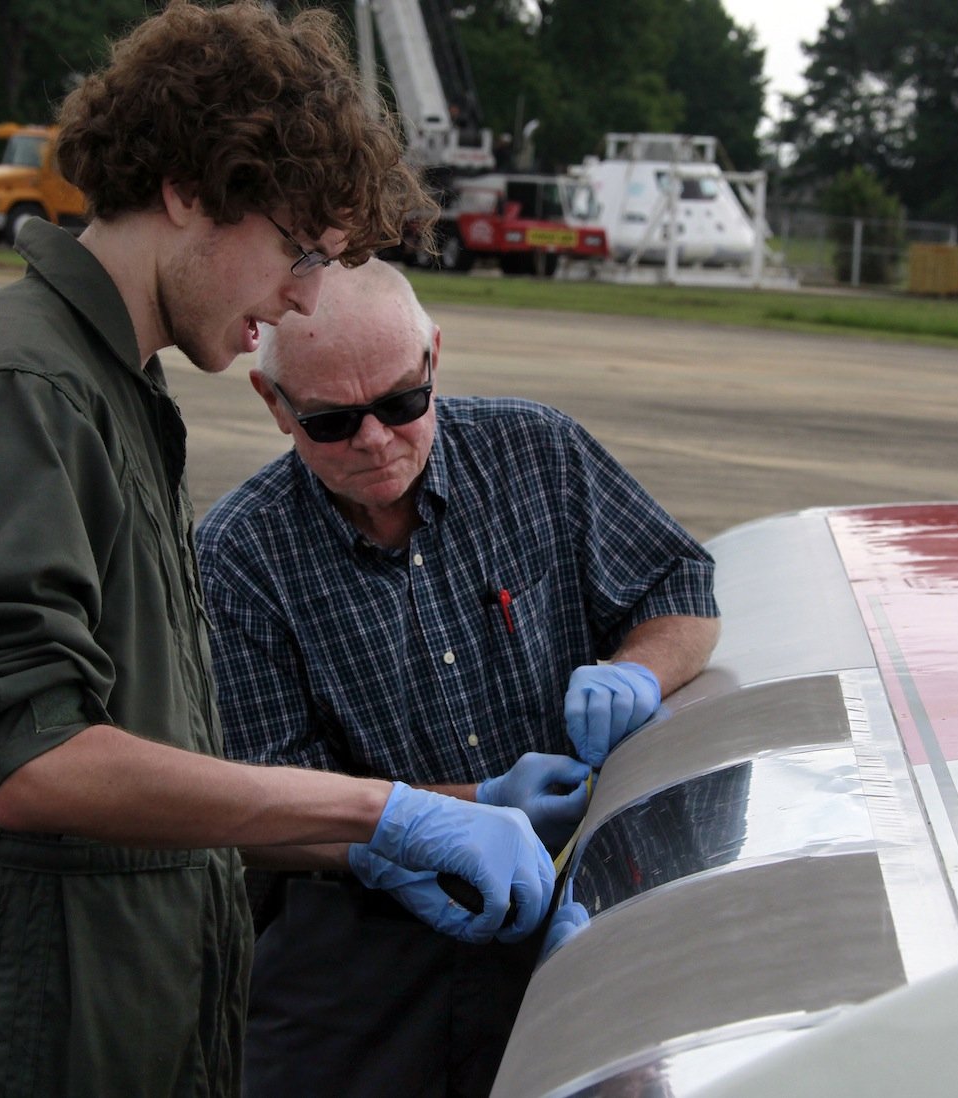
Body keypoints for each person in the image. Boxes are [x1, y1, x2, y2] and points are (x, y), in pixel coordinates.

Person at [0, 4, 558, 1094]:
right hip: (49, 1023)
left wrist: (382, 840)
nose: (302, 296)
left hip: (141, 994)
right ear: (190, 191)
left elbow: (154, 758)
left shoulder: (110, 387)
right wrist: (381, 808)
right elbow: (39, 765)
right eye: (298, 250)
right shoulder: (24, 385)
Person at [195, 258, 721, 1097]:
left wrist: (637, 672)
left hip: (557, 911)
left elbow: (681, 588)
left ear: (434, 358)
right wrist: (459, 813)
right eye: (331, 421)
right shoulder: (238, 556)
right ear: (274, 404)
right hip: (356, 959)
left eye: (403, 404)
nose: (374, 440)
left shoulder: (537, 454)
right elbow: (256, 797)